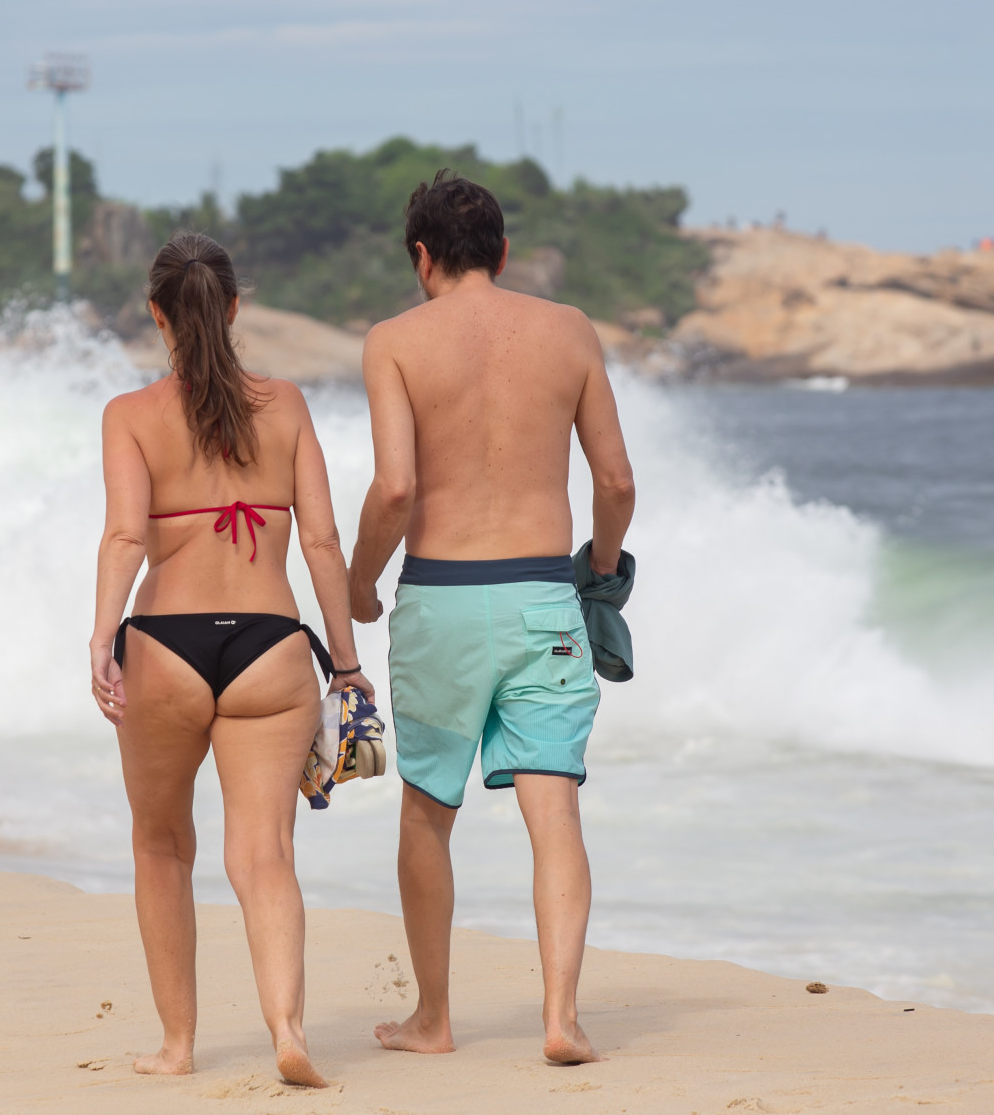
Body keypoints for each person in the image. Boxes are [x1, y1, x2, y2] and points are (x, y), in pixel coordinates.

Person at [346, 171, 635, 1066]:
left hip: (439, 602)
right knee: (555, 815)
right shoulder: (569, 330)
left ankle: (433, 1019)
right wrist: (599, 567)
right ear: (504, 254)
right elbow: (617, 484)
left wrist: (360, 586)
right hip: (546, 601)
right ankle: (561, 1017)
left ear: (420, 256)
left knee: (429, 813)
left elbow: (396, 487)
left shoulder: (393, 342)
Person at [90, 232, 368, 1088]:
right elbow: (320, 539)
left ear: (156, 313)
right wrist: (348, 666)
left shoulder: (130, 415)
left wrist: (103, 638)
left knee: (163, 846)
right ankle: (286, 1026)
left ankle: (177, 1044)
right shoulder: (284, 404)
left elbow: (128, 534)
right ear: (237, 306)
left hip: (166, 647)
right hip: (269, 645)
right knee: (265, 854)